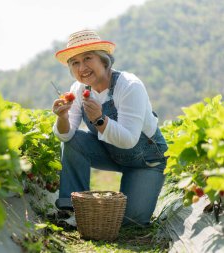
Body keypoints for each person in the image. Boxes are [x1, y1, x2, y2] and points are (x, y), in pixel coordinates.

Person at [52, 29, 168, 226]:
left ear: (104, 60)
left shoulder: (129, 86)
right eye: (75, 63)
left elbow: (130, 139)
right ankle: (73, 210)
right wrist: (62, 117)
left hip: (145, 161)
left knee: (131, 222)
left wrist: (99, 119)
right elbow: (65, 136)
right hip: (110, 153)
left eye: (88, 58)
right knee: (74, 140)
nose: (82, 67)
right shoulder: (78, 90)